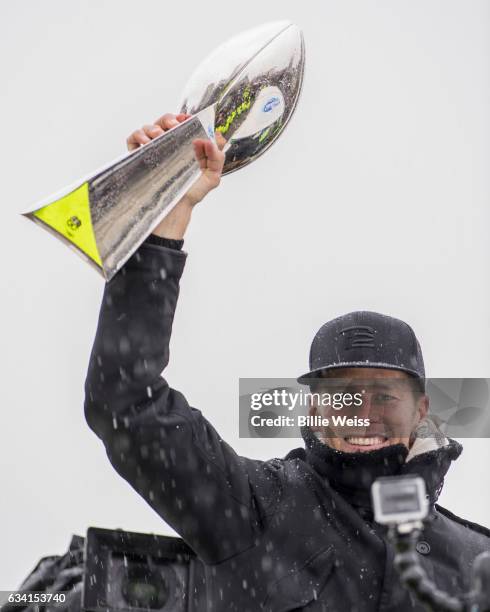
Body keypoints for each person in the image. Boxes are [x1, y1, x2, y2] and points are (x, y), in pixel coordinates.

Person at [84, 113, 490, 612]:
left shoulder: (478, 561)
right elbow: (126, 404)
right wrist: (163, 216)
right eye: (341, 395)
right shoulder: (257, 506)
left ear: (421, 408)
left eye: (384, 395)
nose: (361, 413)